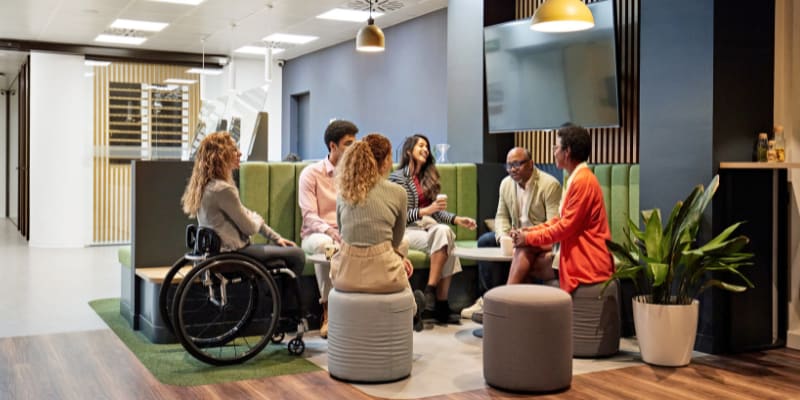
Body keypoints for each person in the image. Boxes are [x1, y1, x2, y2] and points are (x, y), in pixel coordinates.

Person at [180, 130, 305, 283]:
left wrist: (276, 238)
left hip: (218, 253)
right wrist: (257, 219)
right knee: (297, 254)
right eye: (234, 150)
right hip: (233, 254)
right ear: (221, 156)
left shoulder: (208, 186)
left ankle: (276, 302)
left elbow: (245, 214)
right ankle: (286, 305)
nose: (239, 153)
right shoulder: (223, 189)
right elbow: (250, 227)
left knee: (284, 256)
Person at [330, 134, 425, 331]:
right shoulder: (398, 192)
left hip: (345, 276)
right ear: (386, 161)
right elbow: (396, 240)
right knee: (398, 261)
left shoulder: (343, 192)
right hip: (384, 277)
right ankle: (413, 310)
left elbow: (343, 234)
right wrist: (398, 258)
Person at [509, 124, 613, 293]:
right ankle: (516, 309)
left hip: (587, 258)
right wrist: (528, 232)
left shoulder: (583, 181)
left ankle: (507, 306)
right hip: (576, 251)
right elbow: (560, 220)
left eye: (555, 147)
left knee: (524, 256)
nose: (553, 152)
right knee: (524, 255)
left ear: (567, 151)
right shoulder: (576, 177)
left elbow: (565, 227)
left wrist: (528, 237)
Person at [462, 147, 561, 320]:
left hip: (539, 240)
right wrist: (503, 237)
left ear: (530, 164)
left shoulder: (549, 185)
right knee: (486, 241)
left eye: (517, 164)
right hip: (516, 237)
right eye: (509, 165)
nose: (512, 169)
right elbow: (501, 216)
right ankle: (487, 297)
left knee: (524, 250)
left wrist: (528, 236)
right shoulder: (506, 184)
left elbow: (553, 224)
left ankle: (500, 304)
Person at [389, 134, 477, 324]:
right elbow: (398, 215)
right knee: (447, 241)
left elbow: (436, 213)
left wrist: (458, 219)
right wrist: (424, 211)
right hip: (406, 230)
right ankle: (441, 304)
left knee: (445, 232)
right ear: (408, 151)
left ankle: (430, 290)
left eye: (427, 146)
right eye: (421, 145)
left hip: (428, 227)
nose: (426, 149)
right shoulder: (397, 178)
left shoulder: (429, 177)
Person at [298, 119, 358, 338]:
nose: (354, 149)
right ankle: (329, 310)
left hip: (347, 233)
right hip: (317, 234)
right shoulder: (311, 173)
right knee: (328, 247)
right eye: (348, 144)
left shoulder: (355, 175)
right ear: (333, 146)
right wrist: (332, 231)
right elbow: (309, 216)